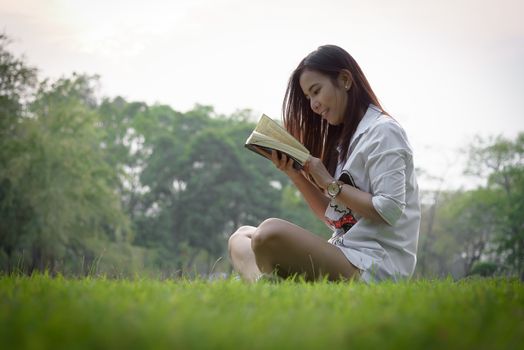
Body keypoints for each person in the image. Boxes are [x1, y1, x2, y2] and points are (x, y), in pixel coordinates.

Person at [228, 45, 420, 283]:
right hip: (344, 252)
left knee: (268, 233)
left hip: (374, 264)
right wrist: (295, 174)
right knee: (241, 237)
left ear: (345, 79)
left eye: (316, 91)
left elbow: (389, 209)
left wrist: (329, 183)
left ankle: (265, 283)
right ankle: (267, 285)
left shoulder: (384, 132)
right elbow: (334, 218)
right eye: (309, 98)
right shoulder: (344, 143)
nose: (313, 105)